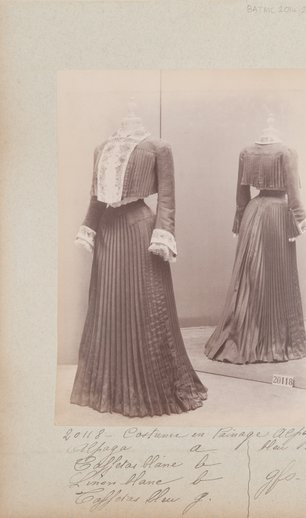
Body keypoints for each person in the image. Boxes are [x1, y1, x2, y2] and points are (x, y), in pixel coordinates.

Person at [71, 101, 207, 417]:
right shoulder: (101, 148)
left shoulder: (158, 147)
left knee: (146, 305)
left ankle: (150, 384)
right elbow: (96, 197)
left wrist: (163, 233)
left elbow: (167, 198)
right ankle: (111, 387)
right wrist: (88, 229)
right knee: (108, 304)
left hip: (139, 229)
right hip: (108, 231)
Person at [205, 117, 306, 364]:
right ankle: (273, 338)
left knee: (251, 274)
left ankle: (246, 333)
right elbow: (294, 194)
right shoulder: (287, 152)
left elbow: (241, 194)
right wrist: (300, 219)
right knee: (277, 275)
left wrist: (239, 222)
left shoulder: (246, 152)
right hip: (277, 214)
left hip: (252, 213)